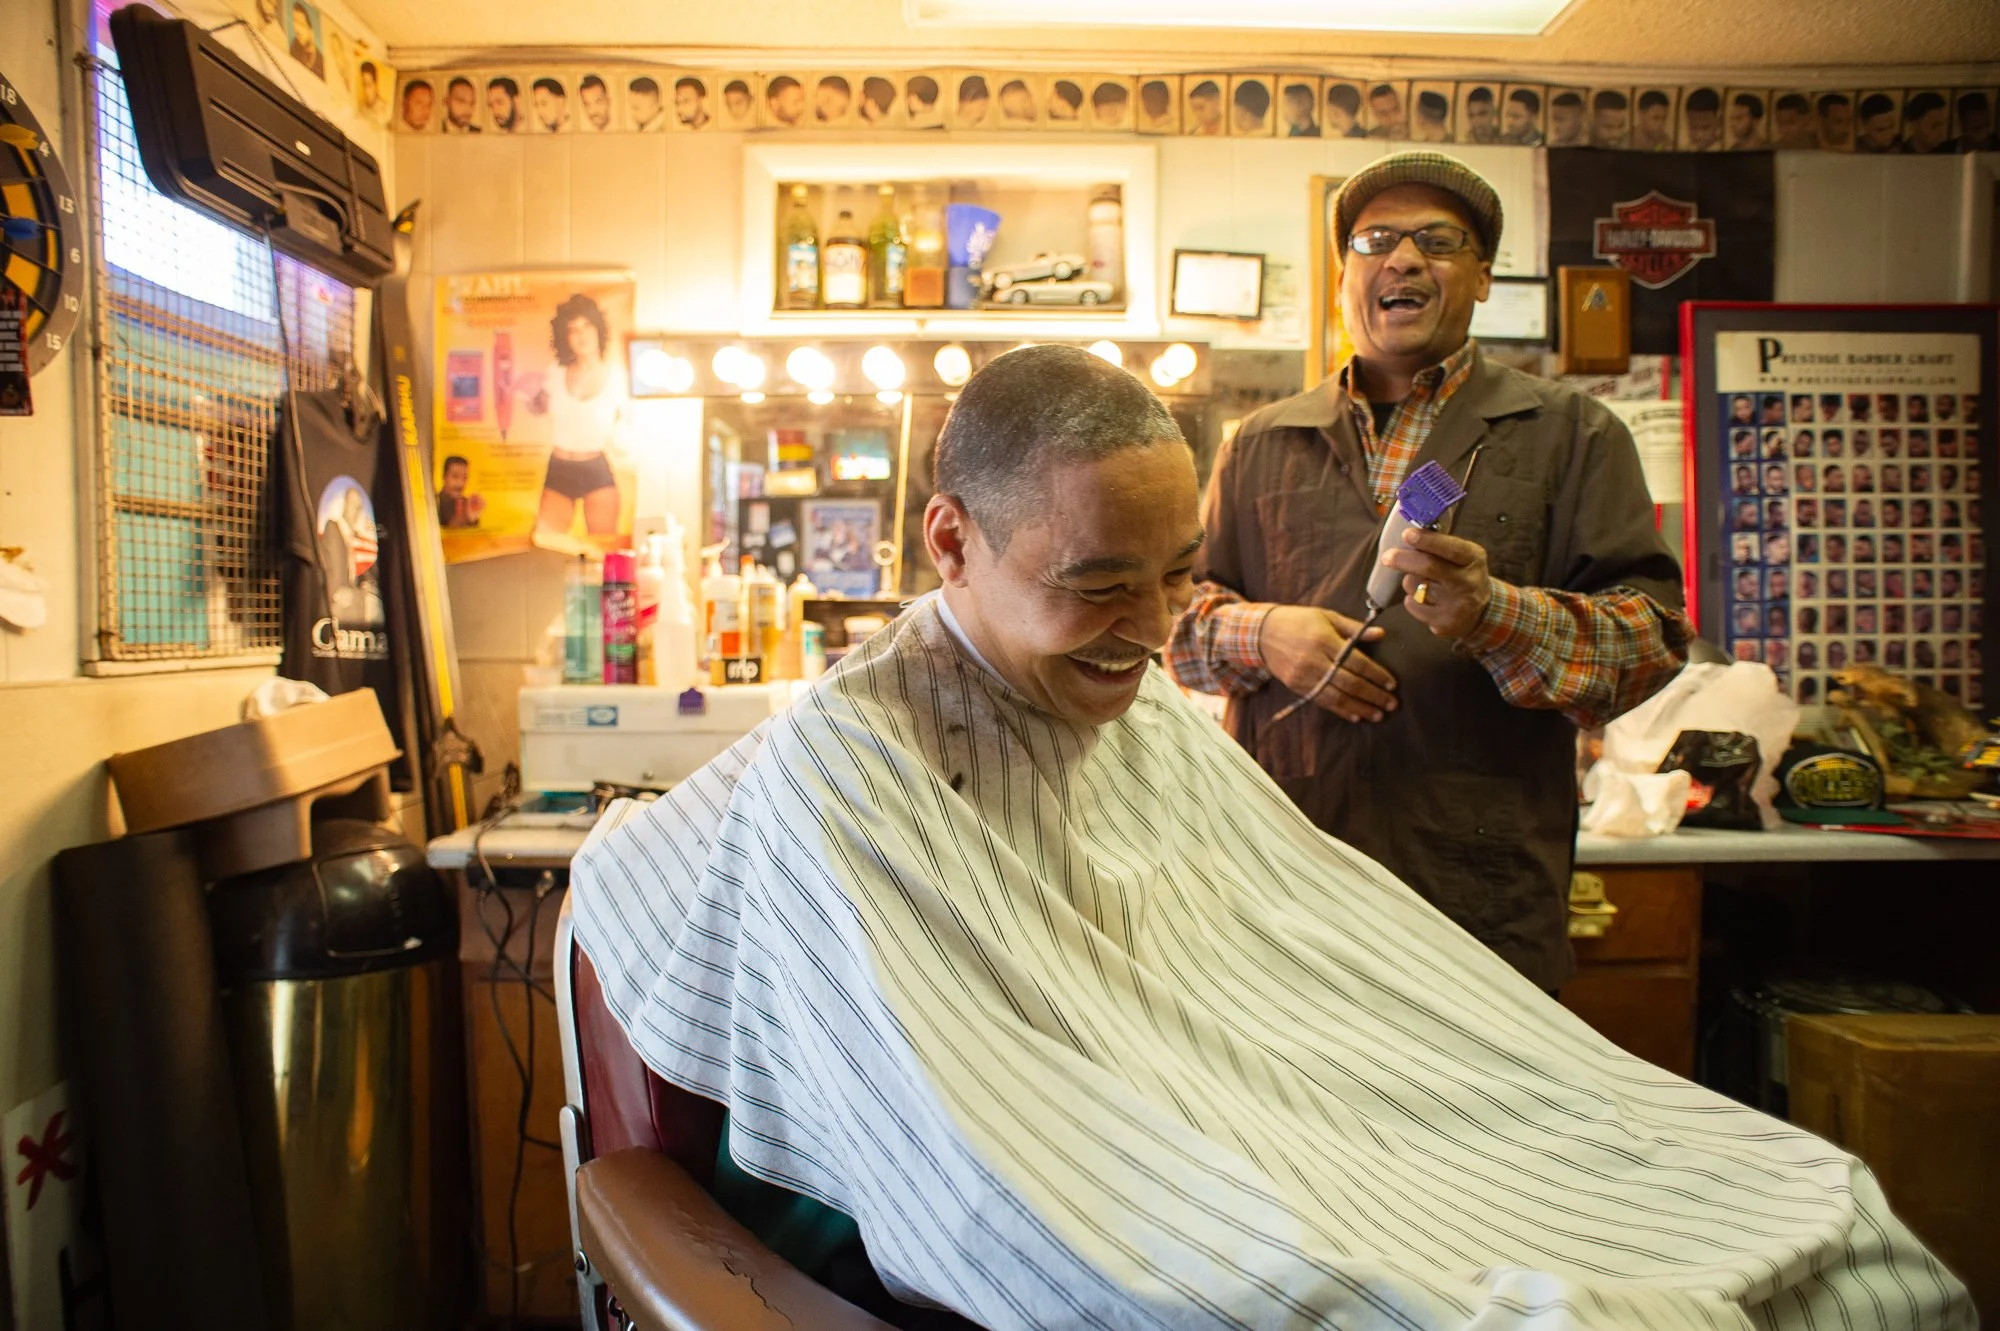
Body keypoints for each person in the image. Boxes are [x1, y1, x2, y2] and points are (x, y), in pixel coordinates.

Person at [572, 342, 1966, 1331]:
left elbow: (1293, 961)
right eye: (1099, 584)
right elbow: (967, 1127)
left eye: (1179, 575)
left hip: (1219, 1106)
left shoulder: (1141, 710)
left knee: (1820, 1220)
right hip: (986, 1163)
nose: (1154, 627)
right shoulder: (854, 760)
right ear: (950, 540)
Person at [1167, 151, 1690, 992]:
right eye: (1375, 239)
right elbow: (1173, 623)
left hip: (1477, 909)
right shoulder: (1261, 442)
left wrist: (1497, 615)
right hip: (1284, 895)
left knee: (1486, 1124)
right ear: (1346, 274)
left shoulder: (1572, 435)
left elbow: (1652, 645)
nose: (1402, 258)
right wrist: (1263, 634)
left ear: (1482, 276)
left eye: (1437, 240)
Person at [528, 293, 625, 538]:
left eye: (586, 326)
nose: (581, 335)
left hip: (596, 468)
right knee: (548, 548)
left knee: (602, 550)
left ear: (598, 330)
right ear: (565, 337)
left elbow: (631, 429)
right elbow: (534, 409)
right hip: (560, 467)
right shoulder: (554, 373)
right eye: (573, 329)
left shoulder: (618, 378)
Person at [436, 455, 485, 529]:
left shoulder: (468, 504)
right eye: (455, 476)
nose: (460, 483)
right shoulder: (434, 502)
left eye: (464, 478)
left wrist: (471, 519)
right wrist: (466, 517)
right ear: (444, 476)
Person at [286, 2, 323, 78]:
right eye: (295, 24)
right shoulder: (293, 49)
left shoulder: (321, 62)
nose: (297, 30)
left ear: (311, 30)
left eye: (301, 24)